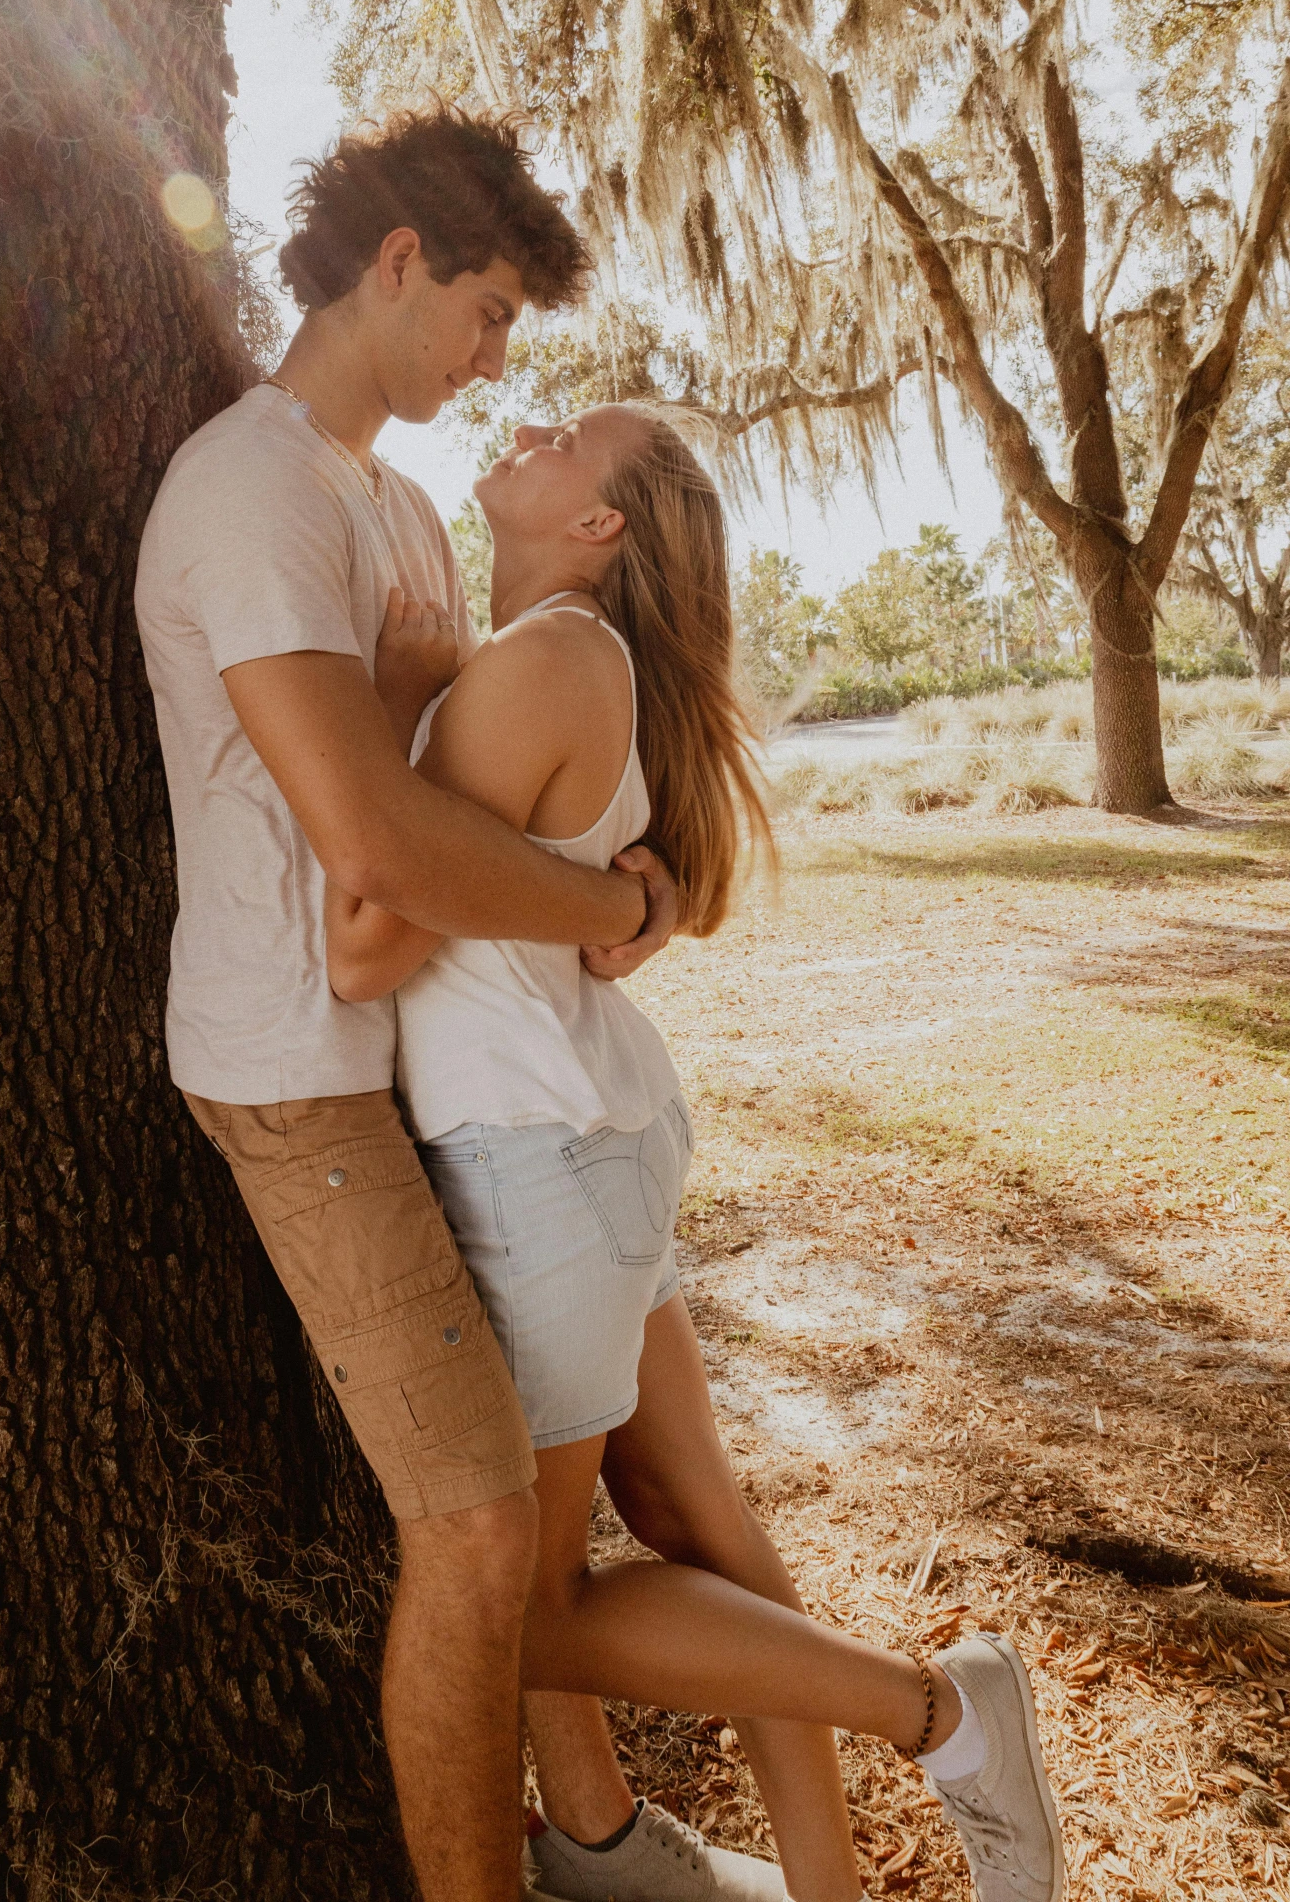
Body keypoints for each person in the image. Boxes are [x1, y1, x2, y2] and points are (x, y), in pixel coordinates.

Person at [134, 107, 771, 1902]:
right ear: (398, 261)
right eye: (488, 310)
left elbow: (473, 778)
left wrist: (603, 890)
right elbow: (382, 843)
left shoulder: (398, 504)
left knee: (550, 1501)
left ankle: (593, 1839)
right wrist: (607, 900)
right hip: (303, 1077)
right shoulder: (250, 491)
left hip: (430, 1073)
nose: (501, 359)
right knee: (487, 1527)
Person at [324, 403, 1067, 1902]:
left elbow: (369, 942)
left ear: (600, 525)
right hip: (588, 1138)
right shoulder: (561, 656)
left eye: (565, 433)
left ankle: (941, 1711)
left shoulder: (541, 660)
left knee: (515, 1616)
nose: (526, 423)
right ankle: (826, 1880)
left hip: (535, 1162)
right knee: (697, 1527)